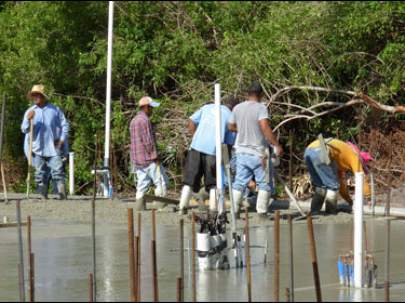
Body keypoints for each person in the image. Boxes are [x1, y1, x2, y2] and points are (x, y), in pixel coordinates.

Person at [228, 81, 283, 216]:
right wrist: (276, 144)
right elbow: (264, 127)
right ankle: (262, 214)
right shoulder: (261, 108)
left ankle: (234, 213)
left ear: (248, 93)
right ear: (261, 94)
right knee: (264, 183)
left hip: (240, 152)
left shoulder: (237, 108)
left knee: (239, 182)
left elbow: (230, 127)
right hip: (258, 153)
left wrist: (244, 130)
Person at [178, 96, 238, 214]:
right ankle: (212, 208)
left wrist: (195, 136)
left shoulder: (207, 107)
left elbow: (191, 120)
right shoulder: (230, 116)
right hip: (213, 151)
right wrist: (225, 161)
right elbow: (229, 143)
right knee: (213, 182)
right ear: (234, 108)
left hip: (196, 147)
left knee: (189, 180)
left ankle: (182, 207)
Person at [21, 84, 69, 200]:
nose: (36, 97)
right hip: (37, 148)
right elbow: (24, 129)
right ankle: (42, 195)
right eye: (34, 95)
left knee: (58, 171)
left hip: (54, 147)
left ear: (43, 97)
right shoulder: (30, 111)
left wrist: (62, 140)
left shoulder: (55, 110)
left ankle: (61, 195)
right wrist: (28, 119)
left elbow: (65, 125)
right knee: (40, 174)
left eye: (38, 95)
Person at [304, 137, 373, 215]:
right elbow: (361, 177)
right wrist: (369, 197)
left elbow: (341, 186)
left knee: (321, 186)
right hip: (322, 151)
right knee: (332, 186)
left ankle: (314, 211)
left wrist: (349, 201)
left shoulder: (341, 159)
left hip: (308, 151)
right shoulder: (354, 157)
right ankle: (330, 212)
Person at [130, 96, 168, 211]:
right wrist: (155, 156)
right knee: (161, 180)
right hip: (148, 158)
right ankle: (160, 205)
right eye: (151, 108)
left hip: (137, 160)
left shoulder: (134, 120)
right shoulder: (145, 120)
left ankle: (139, 206)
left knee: (142, 184)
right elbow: (148, 141)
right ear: (146, 107)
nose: (152, 110)